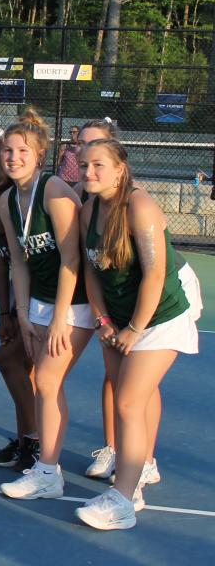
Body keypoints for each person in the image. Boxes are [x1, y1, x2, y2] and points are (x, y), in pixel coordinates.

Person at [75, 138, 199, 530]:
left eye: (98, 165)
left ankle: (123, 501)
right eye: (83, 166)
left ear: (120, 168)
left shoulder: (139, 206)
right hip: (119, 317)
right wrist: (104, 320)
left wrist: (133, 329)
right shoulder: (90, 208)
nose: (89, 172)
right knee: (127, 395)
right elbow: (91, 270)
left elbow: (155, 275)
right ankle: (139, 473)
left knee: (127, 402)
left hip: (159, 317)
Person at [0, 111, 94, 500]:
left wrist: (58, 318)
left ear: (40, 155)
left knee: (49, 383)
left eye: (22, 150)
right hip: (38, 301)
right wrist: (22, 314)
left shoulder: (53, 192)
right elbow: (18, 261)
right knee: (42, 384)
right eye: (7, 150)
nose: (13, 157)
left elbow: (73, 260)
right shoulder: (6, 201)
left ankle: (48, 471)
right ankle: (46, 466)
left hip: (75, 302)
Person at [0, 141, 39, 471]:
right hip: (21, 296)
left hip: (48, 293)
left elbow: (30, 263)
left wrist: (22, 312)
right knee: (17, 365)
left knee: (10, 359)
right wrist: (5, 313)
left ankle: (37, 442)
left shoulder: (24, 203)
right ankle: (26, 439)